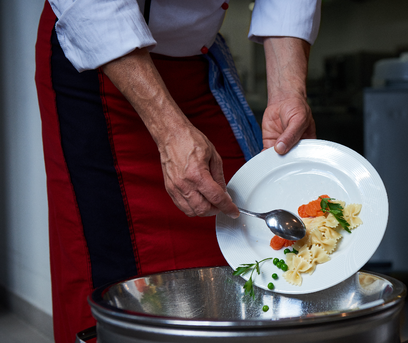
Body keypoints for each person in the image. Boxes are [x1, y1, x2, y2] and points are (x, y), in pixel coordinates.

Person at [35, 1, 321, 342]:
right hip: (101, 69)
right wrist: (168, 131)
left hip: (196, 69)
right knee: (112, 276)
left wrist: (288, 90)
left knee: (238, 248)